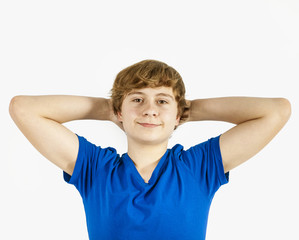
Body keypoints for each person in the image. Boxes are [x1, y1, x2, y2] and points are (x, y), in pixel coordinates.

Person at [9, 59, 291, 240]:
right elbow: (24, 108)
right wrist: (109, 108)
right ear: (119, 112)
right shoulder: (95, 169)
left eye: (162, 102)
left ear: (178, 114)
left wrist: (188, 109)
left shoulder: (198, 167)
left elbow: (277, 111)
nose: (149, 111)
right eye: (138, 100)